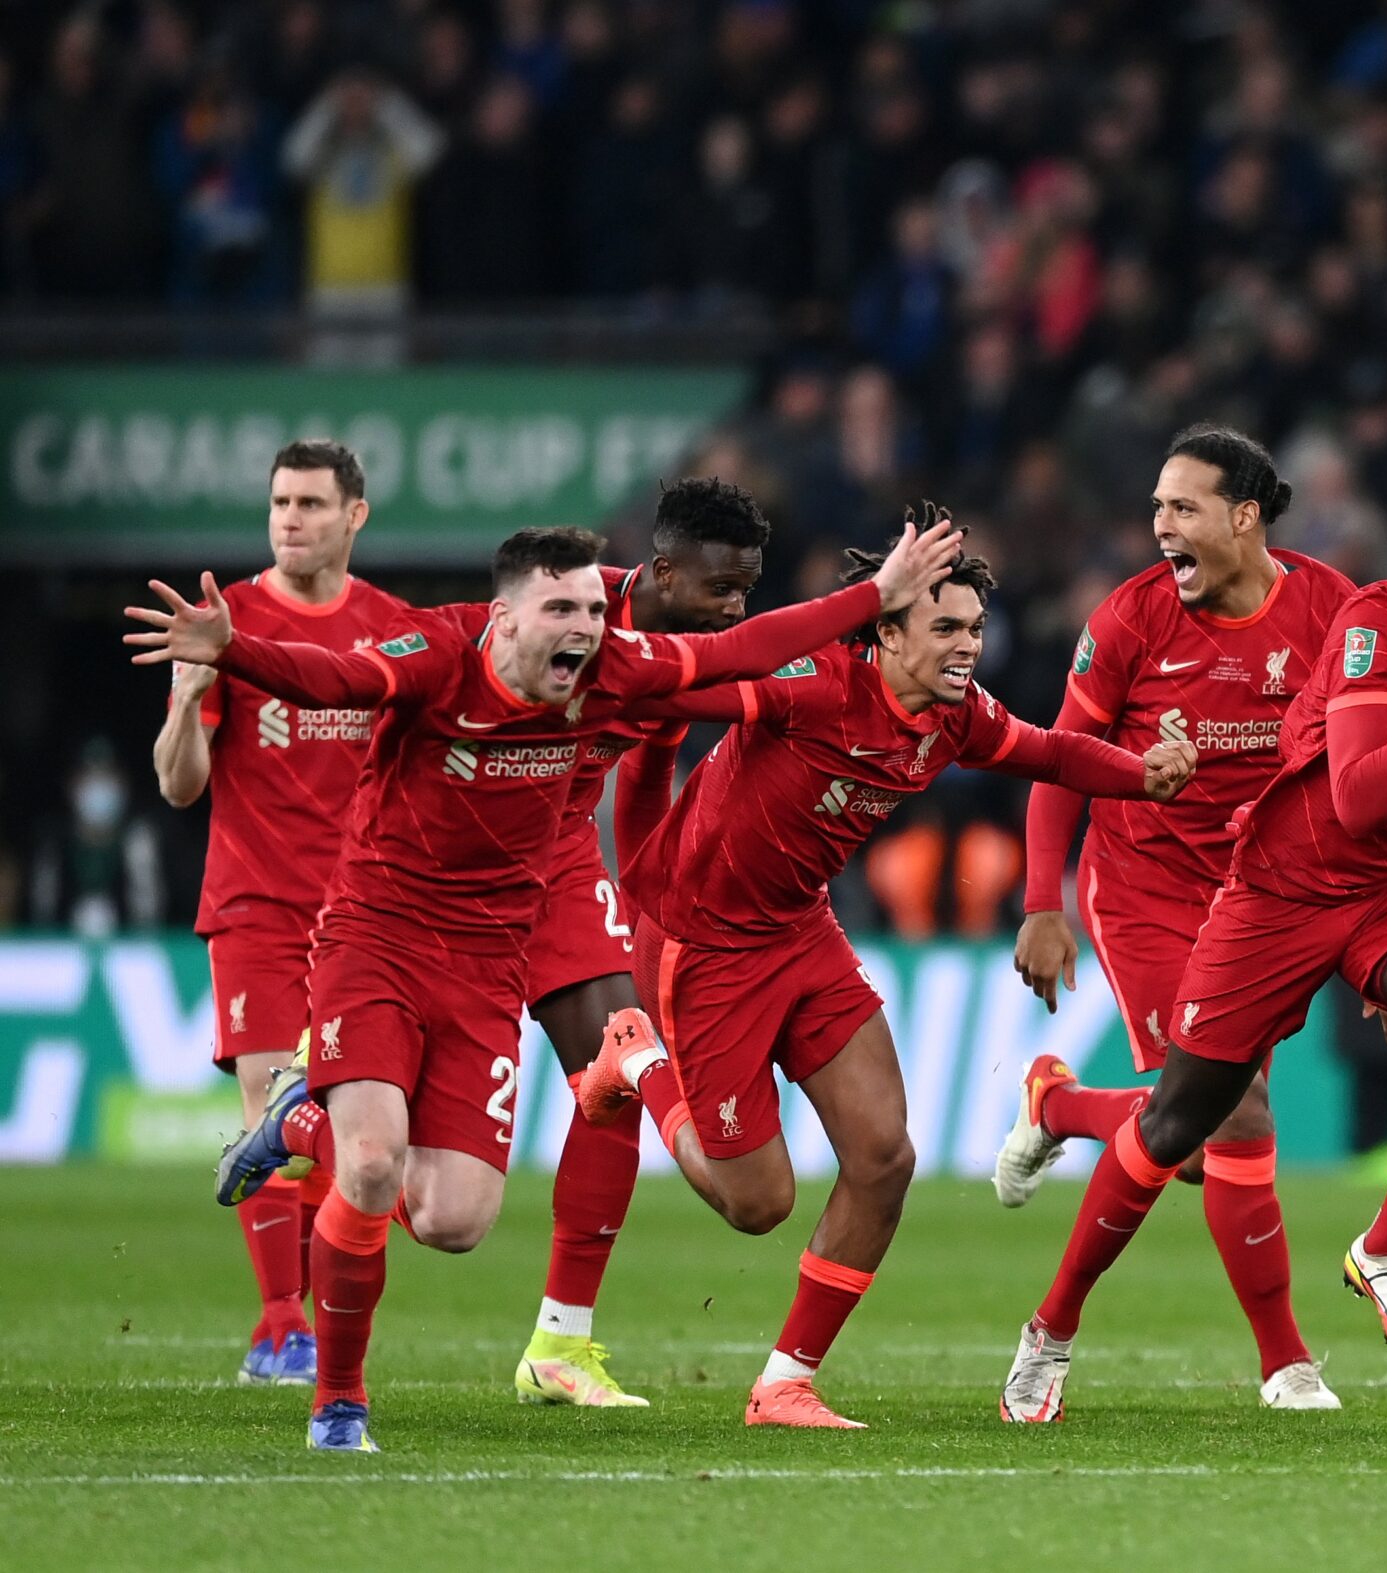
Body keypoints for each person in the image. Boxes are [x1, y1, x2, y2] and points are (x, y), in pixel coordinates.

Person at [126, 514, 965, 1453]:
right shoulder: (454, 648)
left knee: (466, 1207)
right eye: (722, 585)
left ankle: (547, 1325)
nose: (733, 604)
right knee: (376, 1165)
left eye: (592, 611)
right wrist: (236, 650)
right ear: (514, 616)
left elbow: (730, 663)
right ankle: (339, 1398)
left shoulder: (626, 661)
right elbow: (342, 677)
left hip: (524, 890)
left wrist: (874, 594)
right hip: (400, 917)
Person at [581, 525, 1198, 1431]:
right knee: (759, 1203)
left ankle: (786, 1381)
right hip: (700, 944)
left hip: (802, 934)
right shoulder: (811, 684)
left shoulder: (955, 717)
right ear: (888, 634)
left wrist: (1143, 773)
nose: (967, 646)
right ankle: (635, 1060)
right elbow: (690, 673)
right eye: (945, 627)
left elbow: (1049, 752)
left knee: (884, 1156)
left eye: (976, 627)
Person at [1000, 480, 1387, 1423]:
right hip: (1280, 886)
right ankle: (1051, 1326)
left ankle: (1381, 1251)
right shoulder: (1375, 631)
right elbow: (1355, 797)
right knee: (1183, 1127)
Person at [998, 425, 1355, 1411]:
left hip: (1265, 901)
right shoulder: (1129, 622)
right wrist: (1042, 902)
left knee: (1198, 1142)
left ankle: (1058, 1105)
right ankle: (1283, 1362)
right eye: (1156, 507)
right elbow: (1060, 757)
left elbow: (1364, 768)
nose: (1161, 526)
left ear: (1244, 517)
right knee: (1225, 1112)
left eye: (1183, 507)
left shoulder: (1332, 611)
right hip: (1146, 891)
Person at [151, 438, 411, 1386]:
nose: (290, 519)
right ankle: (279, 1327)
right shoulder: (233, 623)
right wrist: (186, 702)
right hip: (257, 902)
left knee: (345, 1137)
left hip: (366, 919)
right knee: (272, 1101)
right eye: (278, 503)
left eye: (309, 502)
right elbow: (181, 787)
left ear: (355, 515)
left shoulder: (391, 628)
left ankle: (301, 1311)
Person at [511, 478, 771, 1409]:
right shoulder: (565, 615)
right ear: (661, 571)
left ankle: (559, 1345)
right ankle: (307, 1108)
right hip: (459, 861)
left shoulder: (682, 659)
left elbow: (652, 758)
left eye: (748, 589)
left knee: (612, 1076)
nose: (738, 607)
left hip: (564, 864)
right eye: (724, 588)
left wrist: (645, 885)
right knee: (433, 1199)